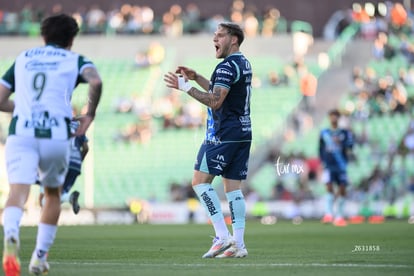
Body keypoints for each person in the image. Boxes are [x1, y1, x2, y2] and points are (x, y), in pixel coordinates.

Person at [0, 14, 102, 275]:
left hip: (22, 132)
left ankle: (11, 235)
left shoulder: (23, 58)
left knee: (18, 192)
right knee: (53, 195)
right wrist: (89, 114)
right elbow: (95, 80)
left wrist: (21, 108)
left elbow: (0, 100)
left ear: (43, 36)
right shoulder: (75, 60)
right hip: (56, 134)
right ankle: (39, 258)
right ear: (71, 39)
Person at [164, 22, 252, 258]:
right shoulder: (243, 62)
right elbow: (222, 90)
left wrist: (186, 88)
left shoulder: (225, 66)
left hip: (222, 134)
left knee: (199, 182)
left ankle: (222, 236)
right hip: (242, 133)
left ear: (234, 39)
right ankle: (238, 244)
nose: (215, 39)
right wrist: (197, 78)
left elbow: (215, 101)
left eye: (220, 35)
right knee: (233, 189)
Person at [38, 125, 89, 215]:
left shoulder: (57, 123)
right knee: (58, 194)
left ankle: (46, 224)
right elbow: (86, 148)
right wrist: (78, 161)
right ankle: (68, 197)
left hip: (60, 162)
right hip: (76, 164)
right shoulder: (80, 127)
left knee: (48, 196)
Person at [319, 109, 353, 227]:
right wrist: (322, 162)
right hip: (328, 165)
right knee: (329, 187)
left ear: (338, 118)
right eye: (331, 116)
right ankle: (328, 214)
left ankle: (339, 216)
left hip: (341, 165)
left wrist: (341, 142)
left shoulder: (344, 133)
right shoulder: (324, 133)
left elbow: (350, 145)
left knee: (342, 188)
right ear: (329, 118)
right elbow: (321, 149)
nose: (333, 118)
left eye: (335, 116)